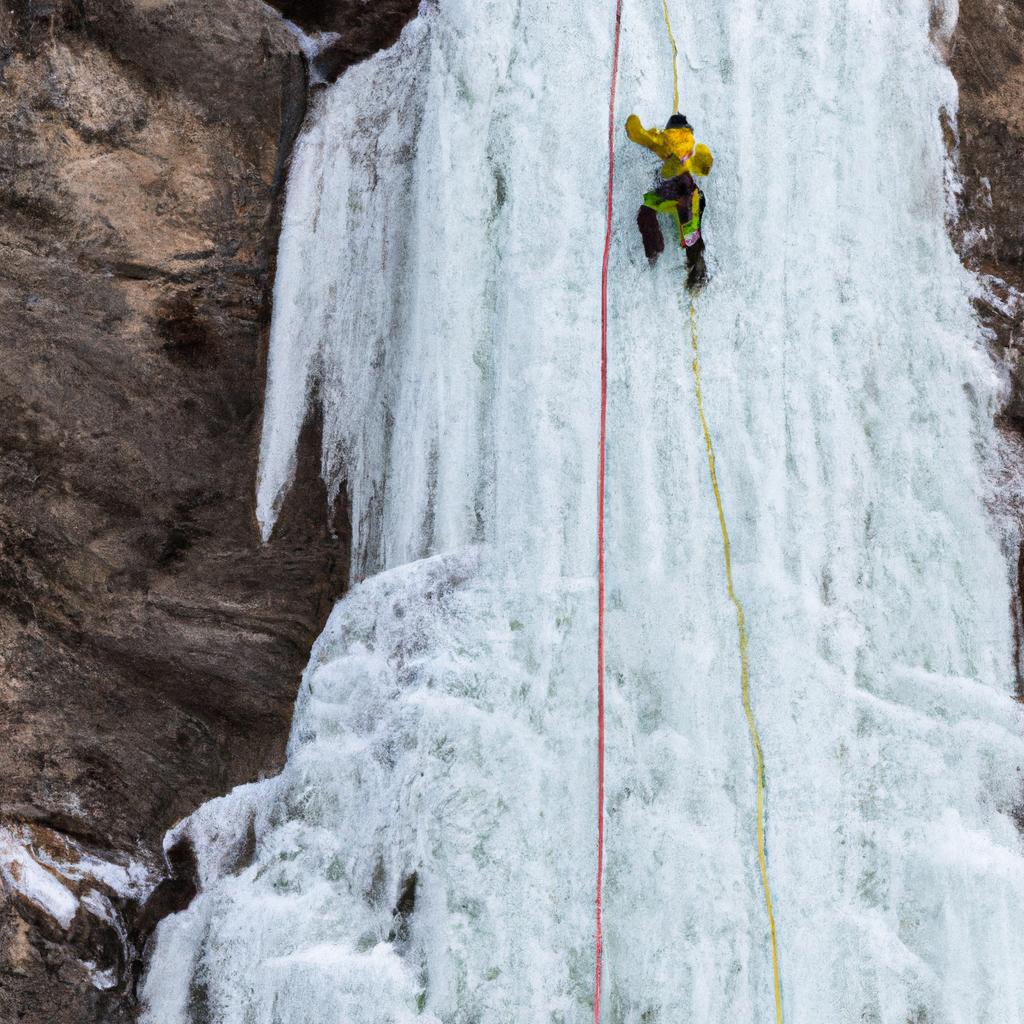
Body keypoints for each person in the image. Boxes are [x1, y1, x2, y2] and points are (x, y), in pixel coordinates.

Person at [625, 112, 713, 290]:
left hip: (668, 191)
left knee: (646, 212)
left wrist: (632, 121)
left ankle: (654, 252)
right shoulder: (693, 146)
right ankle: (697, 272)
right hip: (688, 192)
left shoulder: (663, 138)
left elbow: (638, 134)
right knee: (691, 231)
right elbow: (704, 166)